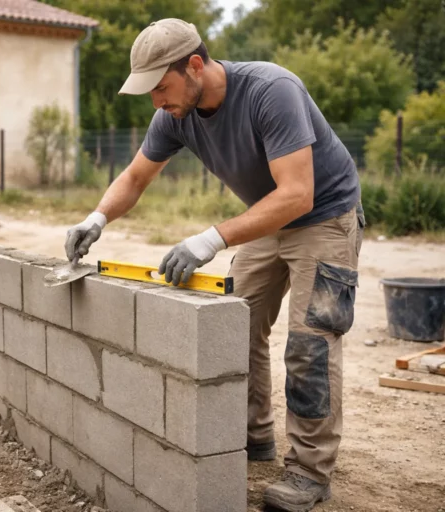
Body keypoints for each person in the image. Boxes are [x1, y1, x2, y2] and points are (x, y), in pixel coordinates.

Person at [64, 18, 364, 512]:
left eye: (161, 87)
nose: (156, 102)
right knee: (233, 326)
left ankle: (310, 472)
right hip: (268, 219)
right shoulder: (173, 115)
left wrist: (211, 239)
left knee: (310, 345)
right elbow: (135, 177)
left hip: (325, 218)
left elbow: (297, 194)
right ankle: (253, 435)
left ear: (195, 66)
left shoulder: (271, 91)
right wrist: (95, 219)